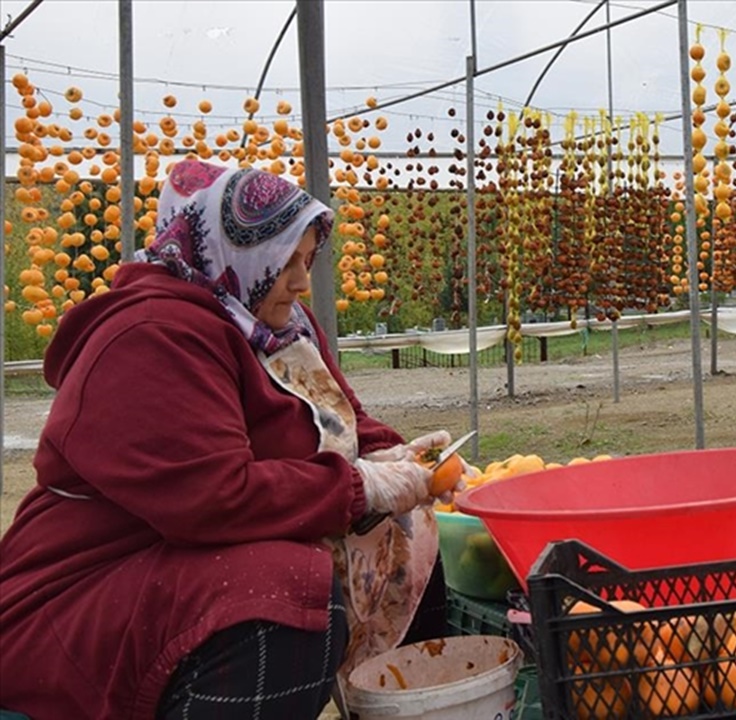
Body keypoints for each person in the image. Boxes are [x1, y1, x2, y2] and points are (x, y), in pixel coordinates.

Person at [0, 159, 465, 719]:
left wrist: (390, 454)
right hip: (97, 577)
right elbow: (211, 495)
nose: (299, 280)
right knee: (280, 591)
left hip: (188, 559)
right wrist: (360, 486)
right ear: (229, 254)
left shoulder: (279, 324)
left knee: (411, 532)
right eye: (283, 261)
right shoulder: (151, 336)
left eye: (306, 259)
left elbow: (340, 418)